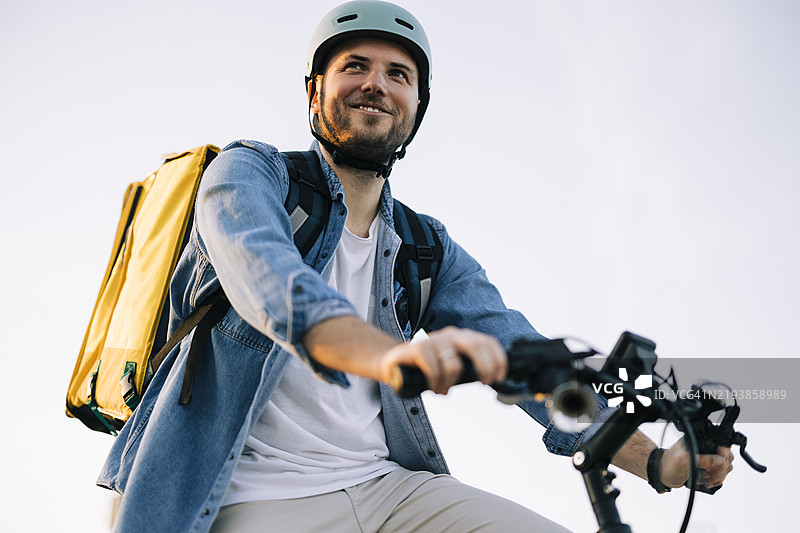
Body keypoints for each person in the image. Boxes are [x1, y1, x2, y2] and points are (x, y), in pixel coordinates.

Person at [98, 2, 734, 532]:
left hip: (384, 485)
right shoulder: (250, 174)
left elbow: (527, 357)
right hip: (232, 494)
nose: (377, 83)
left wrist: (656, 463)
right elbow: (274, 288)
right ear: (316, 90)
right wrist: (388, 357)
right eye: (355, 66)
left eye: (398, 74)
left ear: (416, 104)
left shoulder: (423, 245)